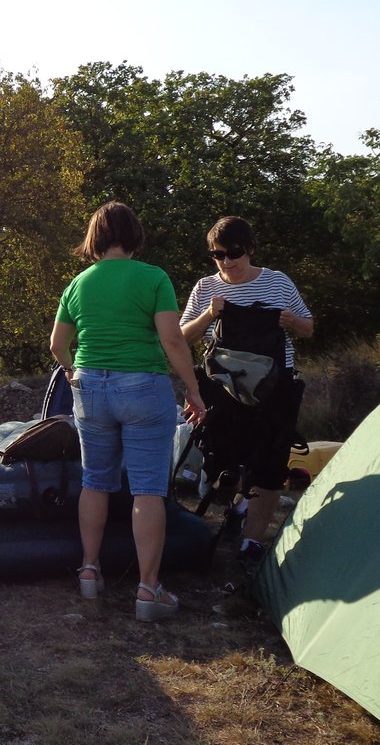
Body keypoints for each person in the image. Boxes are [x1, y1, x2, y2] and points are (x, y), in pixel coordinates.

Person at [49, 202, 205, 622]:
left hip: (89, 388)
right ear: (134, 235)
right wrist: (193, 390)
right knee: (148, 488)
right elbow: (173, 340)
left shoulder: (78, 283)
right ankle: (148, 589)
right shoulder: (153, 277)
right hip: (142, 386)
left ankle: (89, 571)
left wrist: (72, 371)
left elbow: (57, 345)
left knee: (95, 481)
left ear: (95, 238)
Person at [179, 216, 314, 573]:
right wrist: (209, 315)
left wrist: (291, 321)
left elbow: (308, 327)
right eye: (217, 254)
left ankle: (251, 543)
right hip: (222, 388)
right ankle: (237, 506)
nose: (226, 261)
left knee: (270, 466)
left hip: (274, 390)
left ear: (250, 249)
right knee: (221, 462)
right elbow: (182, 338)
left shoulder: (278, 282)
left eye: (234, 253)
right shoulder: (206, 287)